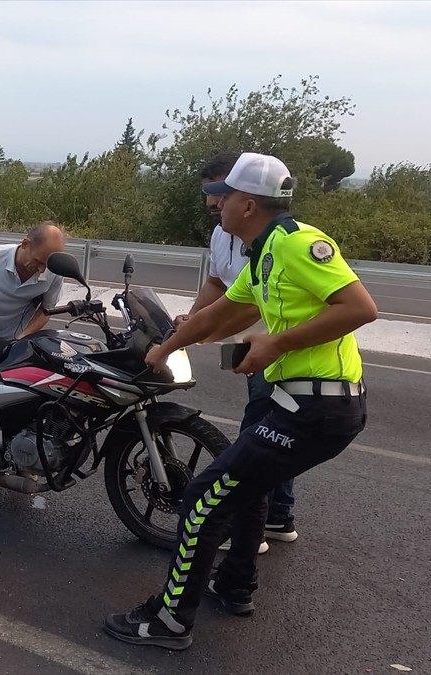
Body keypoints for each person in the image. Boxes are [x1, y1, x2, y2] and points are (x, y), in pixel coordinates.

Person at [103, 152, 378, 651]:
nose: (217, 203)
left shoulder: (299, 245)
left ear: (248, 204)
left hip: (317, 409)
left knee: (202, 500)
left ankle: (168, 622)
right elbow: (224, 313)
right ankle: (233, 587)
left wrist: (277, 343)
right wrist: (168, 345)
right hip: (296, 404)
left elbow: (361, 307)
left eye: (224, 196)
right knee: (244, 490)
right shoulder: (264, 253)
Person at [182, 152, 299, 552]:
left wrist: (205, 328)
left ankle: (247, 528)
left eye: (217, 192)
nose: (211, 203)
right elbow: (218, 285)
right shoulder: (222, 234)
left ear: (242, 194)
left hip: (275, 349)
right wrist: (193, 319)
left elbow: (250, 303)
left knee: (259, 435)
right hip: (246, 345)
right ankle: (278, 516)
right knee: (274, 431)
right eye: (208, 194)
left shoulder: (275, 240)